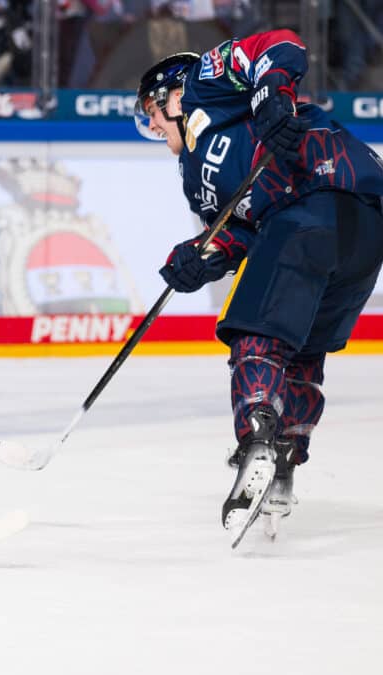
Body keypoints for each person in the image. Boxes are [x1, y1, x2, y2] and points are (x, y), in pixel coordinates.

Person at [134, 30, 383, 540]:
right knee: (301, 350)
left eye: (152, 110)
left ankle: (257, 439)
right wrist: (199, 257)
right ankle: (284, 460)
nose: (153, 124)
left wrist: (271, 95)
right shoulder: (192, 176)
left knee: (257, 334)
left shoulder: (205, 82)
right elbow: (240, 231)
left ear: (174, 93)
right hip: (354, 232)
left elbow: (282, 44)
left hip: (323, 196)